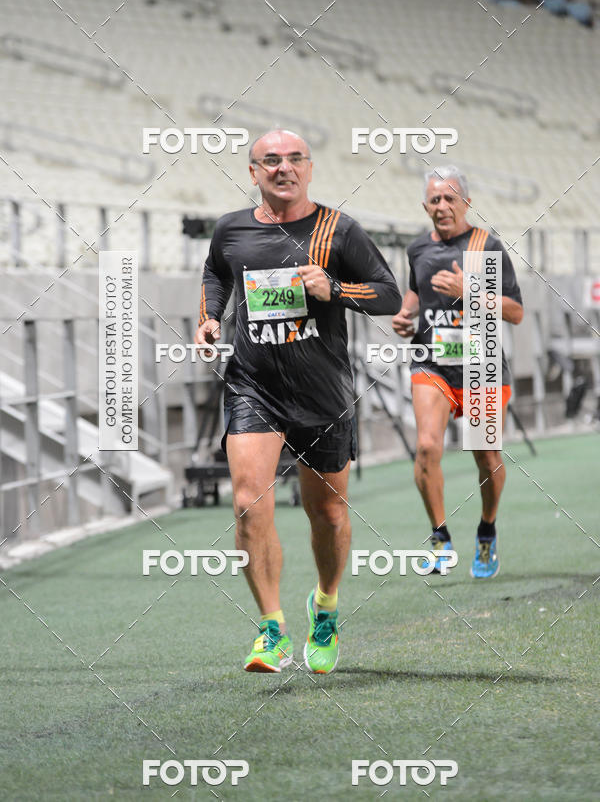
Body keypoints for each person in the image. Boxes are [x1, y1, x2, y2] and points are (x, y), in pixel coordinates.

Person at [195, 129, 402, 673]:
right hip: (253, 385)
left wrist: (335, 288)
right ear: (253, 172)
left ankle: (325, 605)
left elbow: (389, 294)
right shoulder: (231, 229)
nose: (282, 168)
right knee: (248, 502)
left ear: (309, 169)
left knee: (327, 513)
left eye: (293, 159)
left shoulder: (338, 229)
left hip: (322, 392)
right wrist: (210, 317)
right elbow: (216, 272)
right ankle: (271, 630)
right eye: (270, 160)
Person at [392, 165, 523, 578]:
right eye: (435, 199)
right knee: (426, 448)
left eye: (450, 198)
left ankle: (486, 530)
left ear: (466, 202)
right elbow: (416, 290)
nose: (443, 205)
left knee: (486, 456)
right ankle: (440, 538)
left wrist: (471, 291)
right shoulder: (417, 249)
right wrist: (405, 314)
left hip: (482, 365)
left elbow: (515, 311)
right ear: (425, 206)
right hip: (432, 363)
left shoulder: (487, 246)